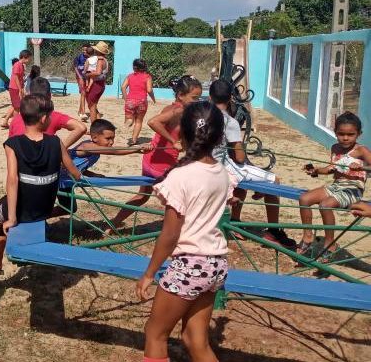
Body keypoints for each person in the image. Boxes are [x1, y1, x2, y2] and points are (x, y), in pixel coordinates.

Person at [0, 94, 82, 309]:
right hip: (43, 210)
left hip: (22, 210)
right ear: (44, 118)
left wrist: (12, 218)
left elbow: (12, 180)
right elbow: (75, 173)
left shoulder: (13, 144)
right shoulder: (56, 143)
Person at [137, 100, 234, 362]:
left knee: (155, 334)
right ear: (218, 135)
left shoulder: (180, 177)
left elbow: (169, 235)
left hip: (190, 264)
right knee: (195, 339)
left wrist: (148, 274)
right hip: (216, 264)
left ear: (182, 132)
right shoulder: (222, 173)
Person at [107, 76, 202, 231]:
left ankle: (112, 225)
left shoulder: (173, 108)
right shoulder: (179, 110)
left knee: (142, 196)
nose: (197, 101)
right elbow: (153, 122)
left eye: (199, 98)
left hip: (151, 159)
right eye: (194, 98)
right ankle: (175, 233)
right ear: (180, 96)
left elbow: (178, 132)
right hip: (161, 164)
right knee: (179, 199)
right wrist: (173, 141)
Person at [208, 79, 294, 248]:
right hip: (222, 167)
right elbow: (240, 158)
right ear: (230, 98)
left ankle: (235, 220)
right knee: (273, 180)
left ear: (210, 97)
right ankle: (273, 230)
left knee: (242, 182)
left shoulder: (199, 115)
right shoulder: (229, 122)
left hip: (202, 163)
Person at [298, 111, 370, 263]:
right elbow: (331, 169)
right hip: (336, 186)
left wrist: (361, 168)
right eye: (341, 133)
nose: (345, 138)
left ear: (359, 134)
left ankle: (330, 244)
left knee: (325, 205)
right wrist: (316, 170)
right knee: (304, 198)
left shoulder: (361, 151)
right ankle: (307, 235)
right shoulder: (335, 148)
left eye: (350, 134)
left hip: (352, 189)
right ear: (335, 132)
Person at [55, 119, 152, 217]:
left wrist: (92, 174)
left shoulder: (96, 152)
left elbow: (76, 165)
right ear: (95, 138)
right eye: (108, 138)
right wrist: (136, 148)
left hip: (65, 182)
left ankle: (43, 219)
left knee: (69, 208)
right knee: (46, 206)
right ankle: (41, 220)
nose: (111, 142)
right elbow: (114, 151)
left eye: (113, 138)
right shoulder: (86, 146)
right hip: (54, 179)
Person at [8, 77, 86, 148]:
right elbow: (81, 128)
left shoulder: (17, 119)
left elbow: (10, 146)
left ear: (29, 95)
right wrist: (61, 148)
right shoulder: (51, 115)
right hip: (46, 158)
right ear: (50, 95)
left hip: (20, 160)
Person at [120, 58, 156, 146]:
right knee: (139, 121)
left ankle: (129, 121)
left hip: (130, 101)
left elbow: (123, 87)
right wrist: (153, 98)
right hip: (142, 101)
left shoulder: (130, 76)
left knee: (129, 119)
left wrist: (126, 98)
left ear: (134, 67)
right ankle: (134, 139)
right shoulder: (147, 77)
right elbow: (149, 89)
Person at [1, 50, 32, 129]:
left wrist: (22, 87)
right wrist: (20, 89)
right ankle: (15, 124)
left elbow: (20, 78)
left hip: (17, 88)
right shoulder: (17, 65)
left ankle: (5, 121)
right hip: (15, 88)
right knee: (17, 107)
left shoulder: (21, 65)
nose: (29, 60)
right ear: (24, 57)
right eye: (29, 58)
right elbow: (16, 78)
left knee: (15, 105)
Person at [84, 41, 110, 123]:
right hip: (101, 84)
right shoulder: (105, 60)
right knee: (93, 106)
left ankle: (94, 128)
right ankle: (99, 125)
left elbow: (98, 72)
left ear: (98, 51)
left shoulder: (100, 60)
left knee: (92, 107)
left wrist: (88, 75)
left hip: (96, 84)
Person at [73, 44, 91, 121]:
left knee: (84, 94)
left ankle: (80, 111)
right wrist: (79, 77)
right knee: (83, 93)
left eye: (86, 50)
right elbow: (75, 67)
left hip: (88, 77)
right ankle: (83, 112)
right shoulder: (79, 57)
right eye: (83, 49)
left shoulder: (90, 58)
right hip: (80, 77)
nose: (84, 51)